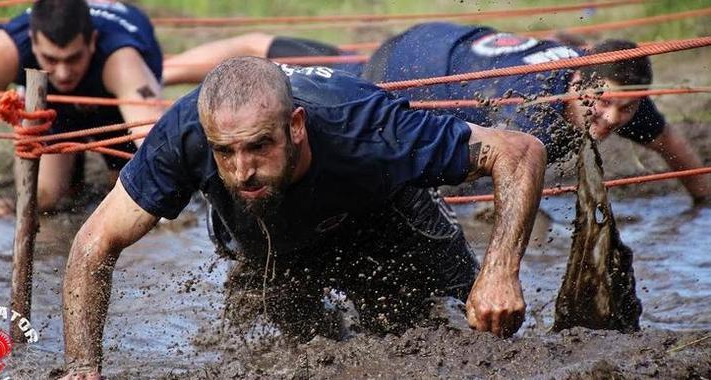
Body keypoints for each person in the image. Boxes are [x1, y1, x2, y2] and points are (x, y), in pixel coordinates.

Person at [61, 57, 547, 377]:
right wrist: (83, 367)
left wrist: (500, 271)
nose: (243, 168)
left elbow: (519, 152)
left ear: (295, 126)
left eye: (258, 146)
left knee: (468, 331)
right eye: (225, 152)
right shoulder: (183, 135)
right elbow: (92, 243)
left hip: (382, 215)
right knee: (304, 353)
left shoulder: (366, 123)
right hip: (267, 235)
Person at [163, 23, 709, 204]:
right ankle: (166, 72)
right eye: (604, 102)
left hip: (452, 42)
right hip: (406, 67)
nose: (612, 119)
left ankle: (169, 67)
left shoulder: (614, 87)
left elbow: (684, 162)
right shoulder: (531, 109)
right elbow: (500, 187)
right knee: (303, 79)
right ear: (576, 79)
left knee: (314, 56)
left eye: (626, 108)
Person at [0, 0, 165, 215]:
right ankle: (72, 167)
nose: (63, 73)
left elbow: (154, 141)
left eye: (73, 58)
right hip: (51, 102)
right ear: (33, 42)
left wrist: (166, 209)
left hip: (114, 106)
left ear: (92, 41)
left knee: (130, 198)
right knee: (42, 198)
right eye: (51, 59)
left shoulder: (122, 59)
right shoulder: (9, 47)